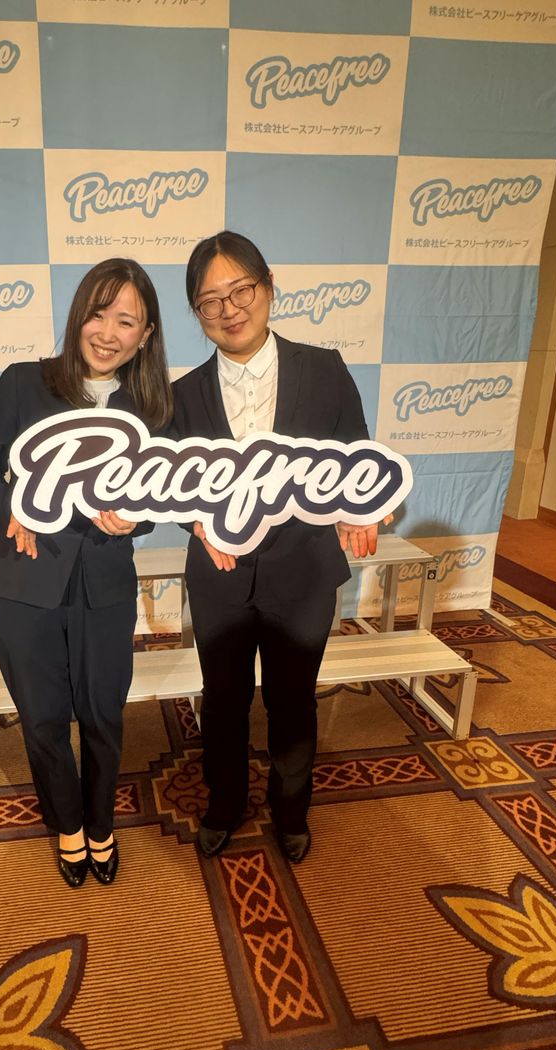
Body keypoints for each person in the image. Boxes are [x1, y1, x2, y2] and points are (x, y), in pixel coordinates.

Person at [171, 231, 389, 863]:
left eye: (241, 290)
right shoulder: (182, 395)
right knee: (223, 700)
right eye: (210, 301)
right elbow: (174, 488)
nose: (229, 309)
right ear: (197, 313)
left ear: (268, 287)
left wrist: (361, 508)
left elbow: (355, 455)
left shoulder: (324, 369)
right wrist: (194, 522)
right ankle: (224, 803)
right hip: (219, 574)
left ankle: (292, 810)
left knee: (293, 699)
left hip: (304, 570)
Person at [0, 259, 172, 887]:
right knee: (44, 717)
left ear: (146, 334)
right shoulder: (24, 383)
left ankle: (101, 825)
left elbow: (159, 495)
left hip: (104, 586)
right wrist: (11, 510)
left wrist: (135, 518)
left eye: (126, 321)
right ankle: (69, 828)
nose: (107, 333)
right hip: (23, 581)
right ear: (79, 316)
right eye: (97, 315)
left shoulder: (153, 405)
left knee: (104, 715)